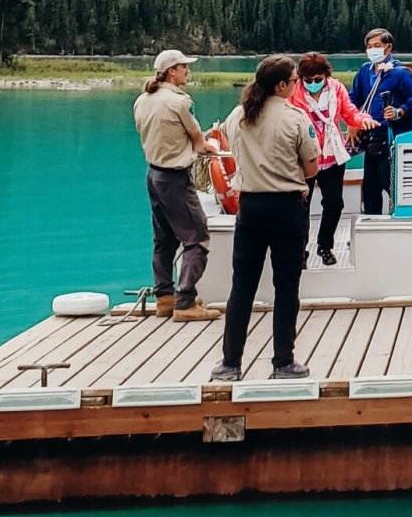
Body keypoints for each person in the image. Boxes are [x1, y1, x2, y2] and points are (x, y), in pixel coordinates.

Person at [211, 55, 320, 381]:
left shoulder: (238, 115)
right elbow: (312, 167)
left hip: (250, 208)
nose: (299, 85)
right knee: (286, 286)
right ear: (282, 85)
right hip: (287, 208)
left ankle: (230, 363)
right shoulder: (295, 119)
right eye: (296, 80)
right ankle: (283, 362)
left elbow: (229, 142)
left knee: (242, 286)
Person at [131, 49, 222, 322]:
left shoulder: (142, 100)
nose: (187, 71)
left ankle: (165, 298)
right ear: (171, 71)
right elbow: (197, 139)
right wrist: (212, 147)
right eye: (184, 67)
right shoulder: (180, 102)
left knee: (163, 239)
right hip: (175, 178)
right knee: (198, 237)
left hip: (153, 176)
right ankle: (186, 301)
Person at [293, 52, 372, 266]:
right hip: (304, 157)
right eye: (308, 81)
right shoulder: (294, 91)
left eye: (318, 80)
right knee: (301, 206)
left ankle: (325, 246)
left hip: (333, 154)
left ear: (325, 76)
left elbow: (350, 113)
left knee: (334, 203)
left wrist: (363, 120)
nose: (313, 84)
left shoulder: (336, 88)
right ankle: (300, 250)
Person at [348, 28, 412, 215]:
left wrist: (399, 111)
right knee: (370, 188)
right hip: (370, 137)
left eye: (377, 46)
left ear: (388, 48)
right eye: (369, 46)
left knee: (392, 185)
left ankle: (400, 223)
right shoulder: (365, 71)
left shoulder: (401, 73)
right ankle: (370, 227)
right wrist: (352, 121)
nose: (372, 50)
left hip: (392, 139)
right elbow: (352, 99)